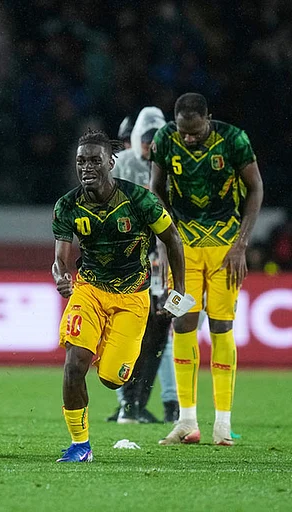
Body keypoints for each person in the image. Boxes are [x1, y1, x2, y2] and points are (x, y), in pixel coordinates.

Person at [52, 129, 187, 462]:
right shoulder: (67, 205)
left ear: (110, 162)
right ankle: (80, 445)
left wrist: (178, 288)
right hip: (89, 290)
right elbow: (61, 258)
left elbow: (172, 239)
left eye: (94, 160)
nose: (86, 167)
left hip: (132, 297)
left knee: (112, 380)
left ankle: (103, 343)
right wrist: (61, 276)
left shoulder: (140, 200)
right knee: (74, 365)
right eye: (81, 161)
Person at [151, 93, 264, 446]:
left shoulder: (234, 139)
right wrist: (165, 242)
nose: (188, 138)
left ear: (209, 119)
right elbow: (155, 189)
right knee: (182, 323)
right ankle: (186, 421)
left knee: (221, 326)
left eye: (196, 132)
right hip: (182, 250)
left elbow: (255, 188)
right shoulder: (164, 139)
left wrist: (241, 245)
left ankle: (222, 424)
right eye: (183, 131)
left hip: (225, 251)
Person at [106, 107, 179, 424]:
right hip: (130, 255)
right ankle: (129, 402)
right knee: (130, 328)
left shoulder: (174, 163)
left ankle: (148, 403)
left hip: (164, 256)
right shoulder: (122, 164)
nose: (151, 148)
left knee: (162, 330)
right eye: (147, 141)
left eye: (156, 142)